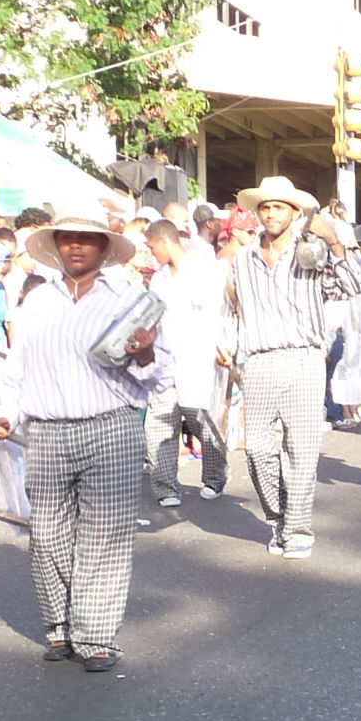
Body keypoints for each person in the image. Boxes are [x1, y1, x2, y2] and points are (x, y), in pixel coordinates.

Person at [0, 223, 163, 669]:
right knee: (47, 535)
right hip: (46, 430)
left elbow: (160, 374)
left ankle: (96, 635)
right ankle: (60, 627)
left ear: (104, 248)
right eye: (67, 239)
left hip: (112, 425)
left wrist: (145, 354)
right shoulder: (38, 300)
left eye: (86, 239)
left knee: (105, 535)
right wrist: (8, 413)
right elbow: (17, 366)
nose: (76, 246)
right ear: (56, 246)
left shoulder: (129, 298)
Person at [226, 176, 361, 558]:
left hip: (304, 357)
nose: (271, 213)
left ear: (294, 212)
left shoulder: (311, 252)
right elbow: (234, 311)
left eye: (279, 207)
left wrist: (334, 240)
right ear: (257, 212)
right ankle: (279, 516)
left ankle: (298, 531)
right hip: (260, 359)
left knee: (301, 451)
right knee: (256, 450)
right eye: (265, 207)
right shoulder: (242, 258)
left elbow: (354, 286)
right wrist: (234, 353)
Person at [141, 217, 231, 508]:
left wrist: (222, 343)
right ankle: (166, 486)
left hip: (199, 358)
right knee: (160, 425)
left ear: (165, 241)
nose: (151, 253)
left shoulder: (204, 269)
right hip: (165, 360)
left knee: (203, 423)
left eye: (153, 247)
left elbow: (218, 311)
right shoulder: (158, 279)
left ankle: (215, 476)